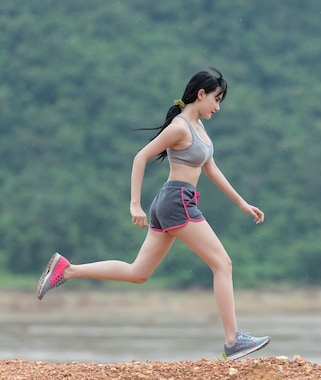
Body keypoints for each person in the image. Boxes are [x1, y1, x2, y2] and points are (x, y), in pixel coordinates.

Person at [36, 68, 270, 360]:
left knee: (138, 273)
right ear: (201, 94)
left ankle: (67, 270)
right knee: (223, 264)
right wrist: (134, 204)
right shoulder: (180, 127)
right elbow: (141, 157)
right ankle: (233, 340)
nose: (218, 106)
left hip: (172, 202)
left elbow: (211, 168)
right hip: (177, 203)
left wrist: (242, 203)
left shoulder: (199, 128)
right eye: (216, 99)